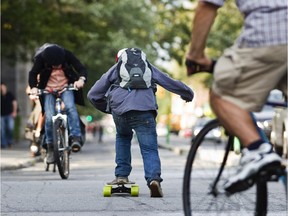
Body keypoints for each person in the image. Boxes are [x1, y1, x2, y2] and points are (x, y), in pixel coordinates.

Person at [185, 0, 287, 193]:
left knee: (221, 94)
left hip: (270, 35)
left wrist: (196, 55)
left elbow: (207, 5)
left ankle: (258, 151)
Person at [87, 48, 194, 197]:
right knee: (149, 148)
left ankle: (121, 176)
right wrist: (187, 93)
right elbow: (168, 81)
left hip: (121, 112)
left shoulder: (116, 69)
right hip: (145, 110)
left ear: (119, 59)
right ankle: (154, 180)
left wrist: (108, 108)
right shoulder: (148, 67)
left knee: (123, 137)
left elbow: (93, 94)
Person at [28, 43, 88, 164]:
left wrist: (81, 79)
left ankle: (75, 137)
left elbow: (81, 68)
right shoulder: (41, 58)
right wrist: (33, 87)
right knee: (49, 117)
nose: (57, 66)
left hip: (66, 88)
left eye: (59, 65)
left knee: (71, 108)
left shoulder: (67, 55)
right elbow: (33, 73)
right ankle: (50, 147)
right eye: (54, 65)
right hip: (48, 90)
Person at [1, 82, 18, 149]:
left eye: (3, 87)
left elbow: (14, 103)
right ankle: (3, 143)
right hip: (1, 115)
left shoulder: (9, 94)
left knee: (10, 128)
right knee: (1, 129)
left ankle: (9, 142)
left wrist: (14, 112)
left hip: (9, 114)